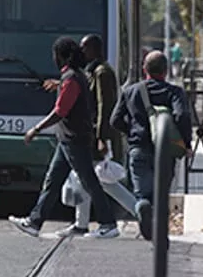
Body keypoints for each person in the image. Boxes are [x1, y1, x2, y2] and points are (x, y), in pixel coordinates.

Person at [9, 37, 120, 239]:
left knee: (89, 181)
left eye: (56, 55)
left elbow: (60, 111)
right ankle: (34, 222)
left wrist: (36, 129)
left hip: (74, 139)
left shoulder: (72, 78)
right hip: (67, 139)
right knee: (53, 181)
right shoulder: (75, 76)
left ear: (61, 56)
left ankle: (108, 223)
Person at [57, 35, 148, 238]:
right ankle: (81, 224)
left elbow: (104, 106)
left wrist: (101, 138)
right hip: (94, 134)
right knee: (88, 177)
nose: (80, 51)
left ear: (93, 49)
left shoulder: (102, 72)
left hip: (100, 136)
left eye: (84, 47)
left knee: (101, 180)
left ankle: (137, 210)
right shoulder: (92, 71)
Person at [110, 50, 193, 222]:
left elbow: (114, 120)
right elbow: (182, 116)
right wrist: (186, 143)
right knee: (161, 194)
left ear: (144, 69)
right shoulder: (175, 92)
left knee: (142, 194)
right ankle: (159, 232)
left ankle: (142, 208)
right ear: (166, 70)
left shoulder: (131, 91)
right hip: (166, 151)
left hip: (138, 148)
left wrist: (131, 132)